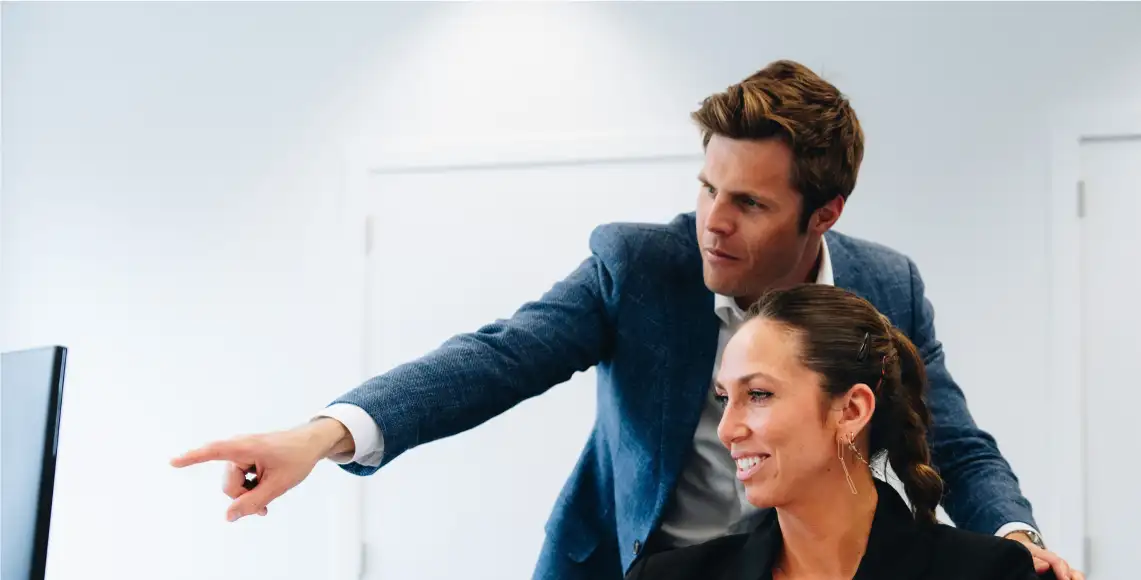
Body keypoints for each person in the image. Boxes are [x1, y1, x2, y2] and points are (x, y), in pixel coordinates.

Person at [171, 60, 1079, 580]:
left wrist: (1015, 538)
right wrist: (324, 435)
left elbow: (952, 439)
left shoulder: (888, 286)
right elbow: (497, 358)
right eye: (705, 187)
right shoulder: (639, 265)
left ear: (822, 216)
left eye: (749, 205)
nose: (710, 222)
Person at [625, 283, 1063, 580]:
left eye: (758, 394)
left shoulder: (986, 573)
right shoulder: (666, 576)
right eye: (725, 398)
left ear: (851, 410)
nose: (727, 429)